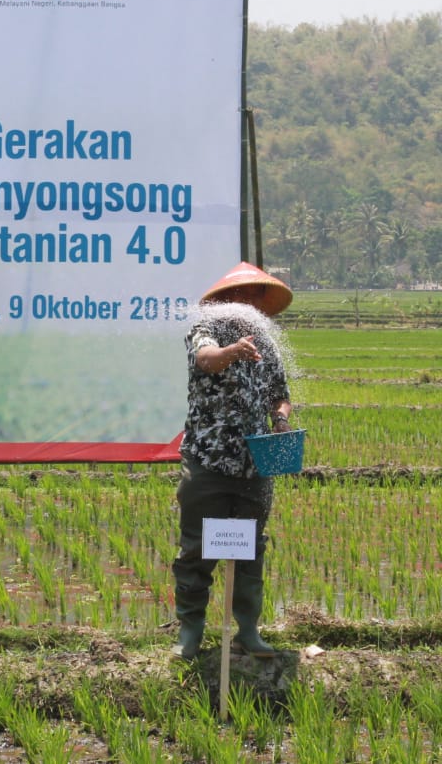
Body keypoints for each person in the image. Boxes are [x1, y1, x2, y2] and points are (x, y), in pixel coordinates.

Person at [173, 261, 294, 660]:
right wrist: (231, 352)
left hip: (254, 464)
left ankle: (247, 630)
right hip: (207, 461)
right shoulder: (204, 330)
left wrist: (280, 418)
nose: (248, 301)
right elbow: (206, 359)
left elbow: (280, 393)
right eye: (241, 294)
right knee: (196, 549)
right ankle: (190, 630)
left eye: (256, 295)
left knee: (250, 549)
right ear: (225, 298)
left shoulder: (266, 340)